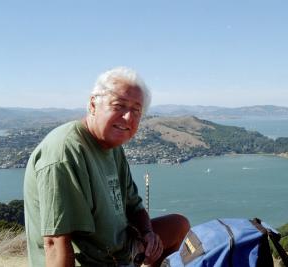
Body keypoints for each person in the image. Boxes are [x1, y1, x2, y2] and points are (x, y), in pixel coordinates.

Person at [24, 67, 190, 267]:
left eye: (136, 110)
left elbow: (134, 207)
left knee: (178, 226)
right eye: (119, 106)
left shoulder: (112, 147)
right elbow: (55, 242)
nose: (128, 117)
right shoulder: (64, 153)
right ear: (93, 105)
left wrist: (148, 234)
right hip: (90, 260)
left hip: (119, 250)